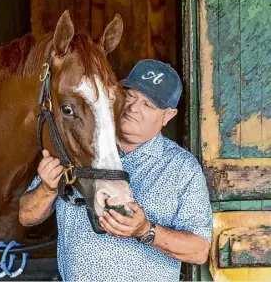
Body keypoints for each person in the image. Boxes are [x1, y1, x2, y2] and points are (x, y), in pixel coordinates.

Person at [19, 59, 213, 282]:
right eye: (130, 96)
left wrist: (145, 231)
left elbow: (199, 250)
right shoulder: (80, 147)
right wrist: (47, 188)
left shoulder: (182, 168)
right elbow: (26, 216)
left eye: (148, 105)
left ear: (168, 116)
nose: (133, 109)